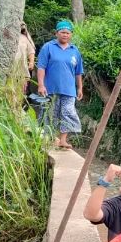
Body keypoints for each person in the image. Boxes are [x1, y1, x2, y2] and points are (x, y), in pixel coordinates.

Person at [36, 19, 84, 150]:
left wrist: (80, 87)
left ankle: (63, 140)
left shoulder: (75, 51)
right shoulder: (48, 47)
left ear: (71, 35)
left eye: (68, 33)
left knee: (67, 113)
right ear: (56, 33)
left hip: (69, 90)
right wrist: (41, 85)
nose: (65, 35)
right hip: (50, 89)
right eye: (62, 32)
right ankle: (48, 139)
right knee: (50, 113)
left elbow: (78, 72)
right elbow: (41, 67)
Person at [16, 22, 35, 94]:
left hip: (22, 69)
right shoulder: (5, 36)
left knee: (22, 92)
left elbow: (31, 51)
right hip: (8, 70)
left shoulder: (24, 38)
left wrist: (31, 62)